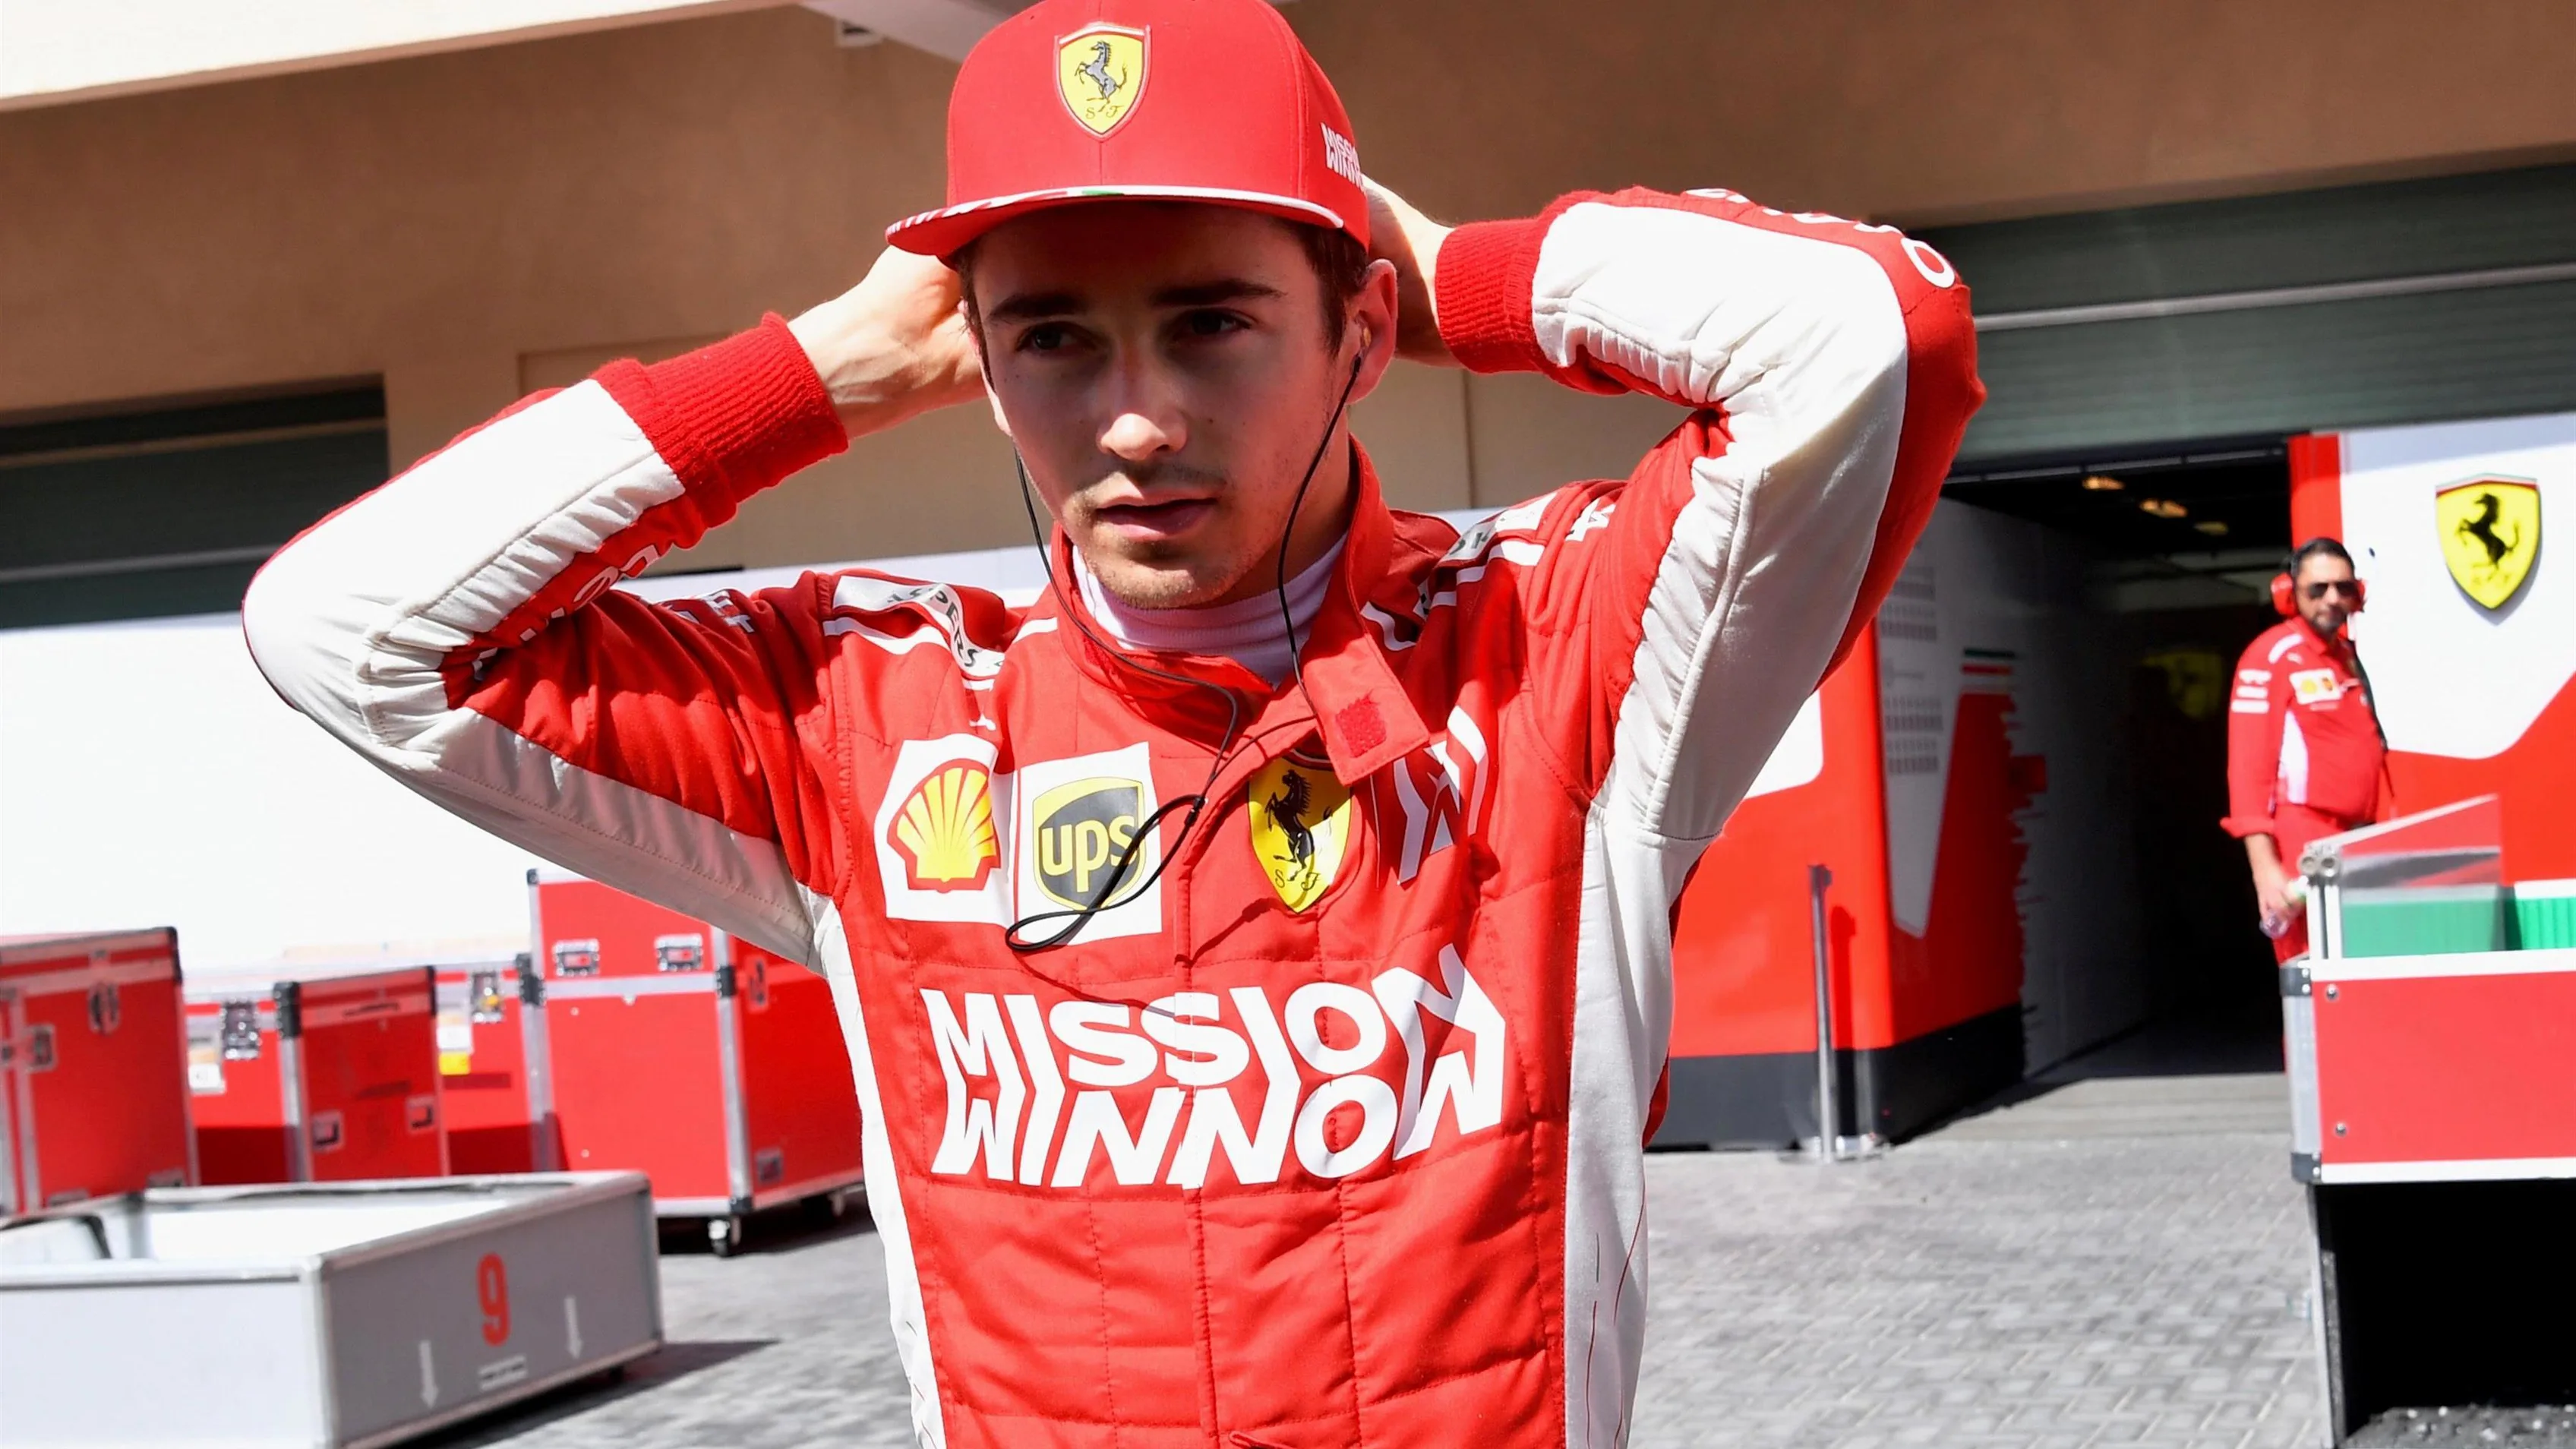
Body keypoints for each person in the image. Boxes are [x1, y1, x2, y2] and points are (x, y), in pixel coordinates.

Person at [242, 0, 1981, 1440]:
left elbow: (1866, 331)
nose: (1133, 419)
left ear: (1359, 331)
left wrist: (1453, 269)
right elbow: (345, 630)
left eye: (1211, 322)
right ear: (975, 360)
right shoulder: (858, 712)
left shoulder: (1557, 649)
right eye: (1054, 338)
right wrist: (818, 372)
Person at [2224, 536, 2386, 961]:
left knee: (2359, 971)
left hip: (2355, 838)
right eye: (2318, 589)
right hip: (2302, 841)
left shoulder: (2346, 655)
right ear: (2289, 594)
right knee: (2312, 975)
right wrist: (2264, 869)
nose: (2332, 599)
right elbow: (2247, 770)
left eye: (2343, 587)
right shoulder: (2270, 655)